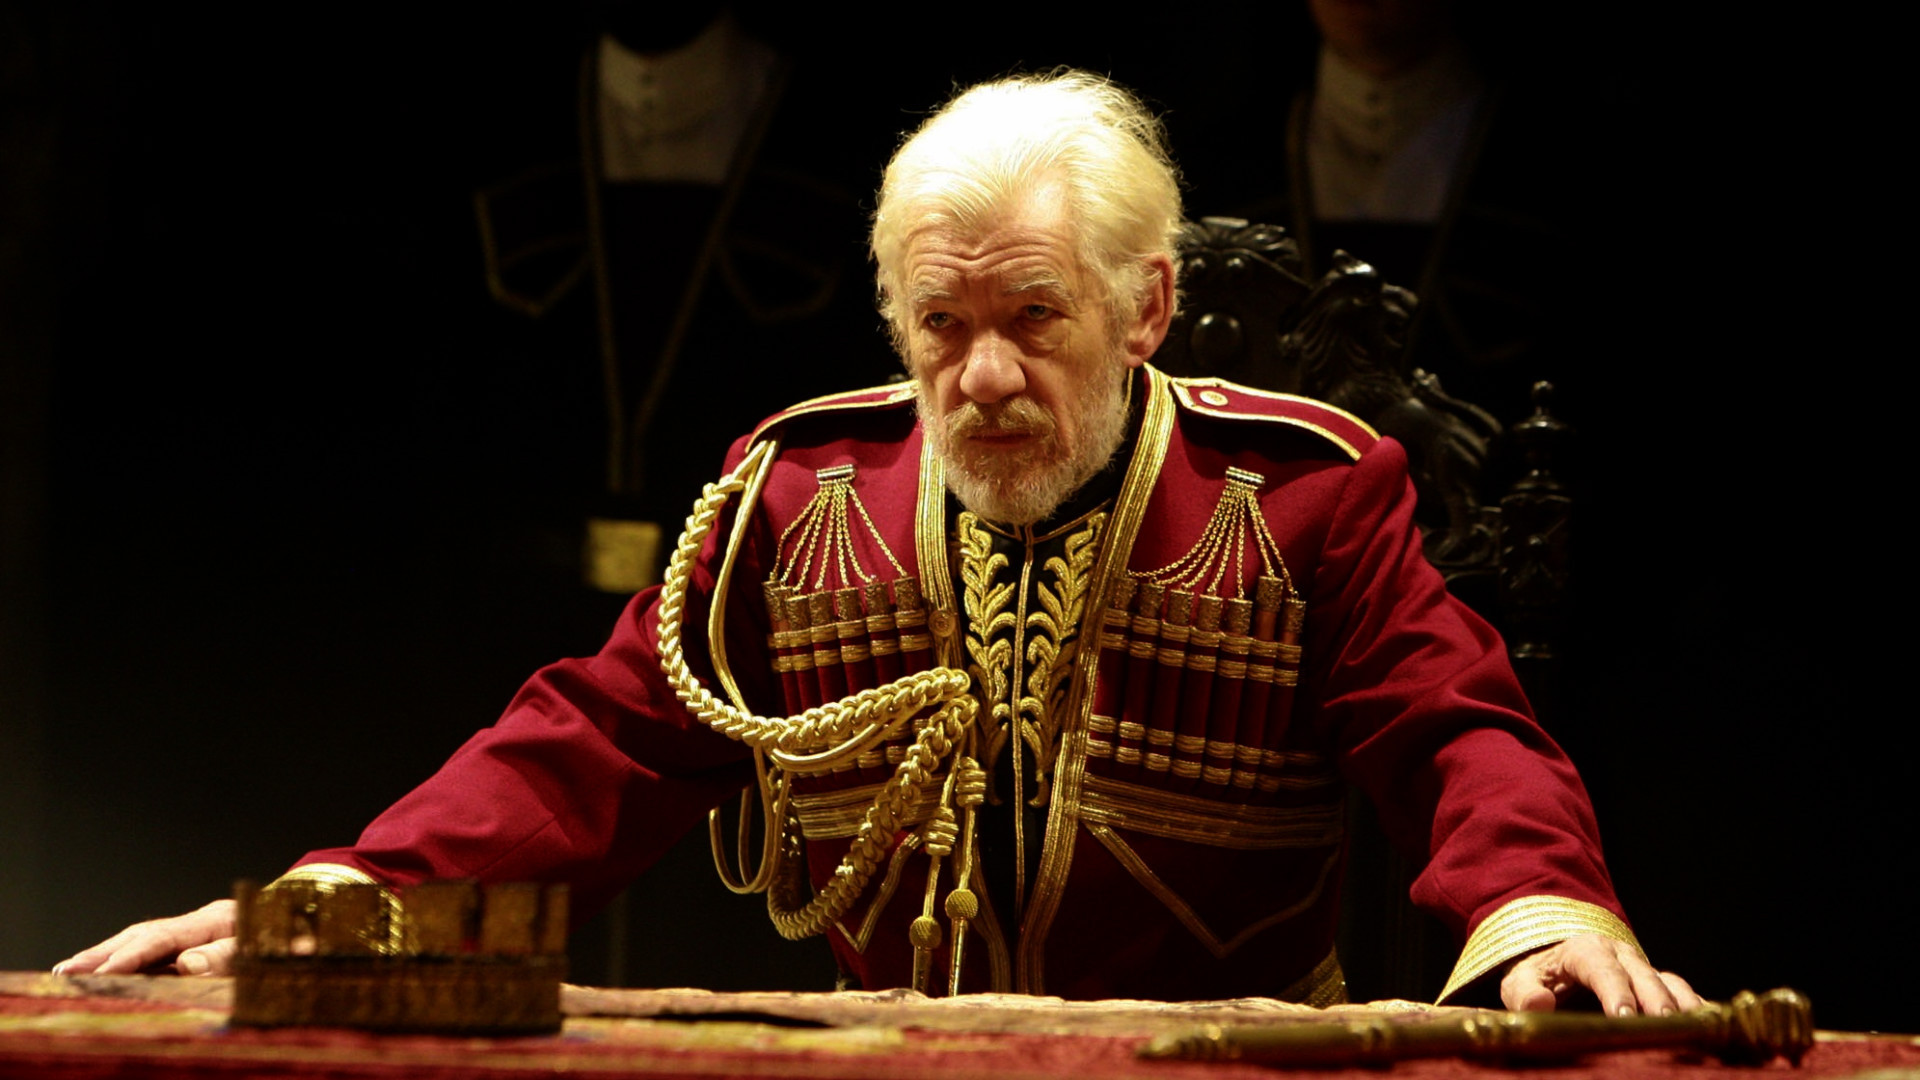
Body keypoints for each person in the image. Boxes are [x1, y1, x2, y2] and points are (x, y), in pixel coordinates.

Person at [57, 70, 1696, 1015]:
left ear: (1146, 309)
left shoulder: (1304, 496)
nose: (980, 378)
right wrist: (349, 892)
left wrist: (1546, 905)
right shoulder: (794, 498)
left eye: (1032, 318)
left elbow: (1455, 729)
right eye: (939, 325)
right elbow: (602, 735)